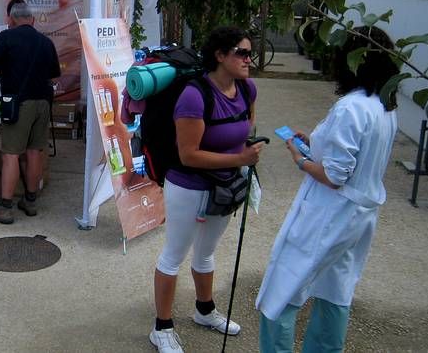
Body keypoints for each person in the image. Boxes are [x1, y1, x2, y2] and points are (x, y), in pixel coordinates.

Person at [256, 27, 399, 353]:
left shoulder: (350, 107)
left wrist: (301, 160)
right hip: (360, 215)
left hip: (330, 212)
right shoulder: (384, 106)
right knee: (336, 288)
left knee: (283, 287)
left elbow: (335, 176)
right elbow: (355, 158)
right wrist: (316, 144)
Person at [149, 26, 261, 353]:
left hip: (226, 186)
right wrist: (239, 158)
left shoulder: (247, 89)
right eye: (242, 53)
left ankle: (205, 310)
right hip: (188, 186)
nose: (248, 59)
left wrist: (243, 156)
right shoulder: (194, 96)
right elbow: (188, 154)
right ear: (220, 55)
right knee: (174, 255)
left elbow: (246, 129)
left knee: (206, 252)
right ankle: (162, 328)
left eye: (250, 53)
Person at [0, 1, 60, 224]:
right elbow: (54, 77)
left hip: (18, 103)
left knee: (10, 154)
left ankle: (4, 207)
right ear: (32, 20)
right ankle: (30, 200)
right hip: (43, 103)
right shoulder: (46, 42)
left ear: (11, 19)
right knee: (35, 152)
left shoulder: (5, 38)